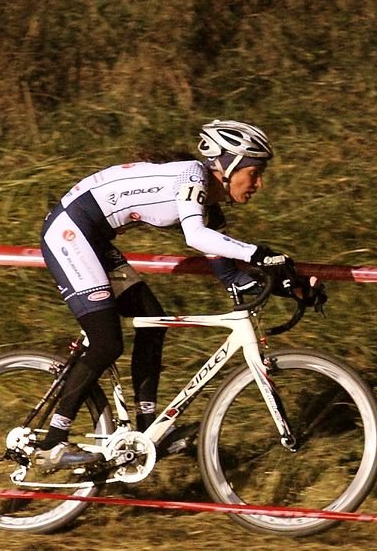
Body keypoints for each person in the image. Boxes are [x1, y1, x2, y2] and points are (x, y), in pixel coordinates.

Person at [33, 119, 323, 472]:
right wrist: (260, 252)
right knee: (106, 342)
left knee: (153, 322)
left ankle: (148, 428)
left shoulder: (206, 201)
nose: (259, 184)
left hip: (93, 239)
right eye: (255, 172)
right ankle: (52, 444)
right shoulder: (190, 176)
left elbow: (234, 275)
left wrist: (290, 286)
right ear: (229, 166)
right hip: (70, 233)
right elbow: (197, 238)